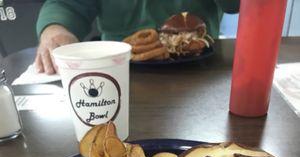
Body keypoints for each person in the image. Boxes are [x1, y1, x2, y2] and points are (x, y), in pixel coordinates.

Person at [35, 0, 240, 74]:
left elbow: (235, 5)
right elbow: (66, 5)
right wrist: (55, 29)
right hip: (118, 70)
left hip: (200, 70)